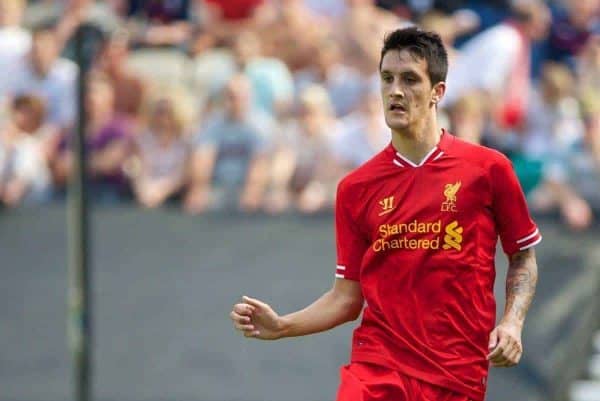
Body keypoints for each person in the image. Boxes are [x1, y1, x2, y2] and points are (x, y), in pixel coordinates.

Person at [230, 27, 541, 401]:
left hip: (456, 374)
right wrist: (282, 325)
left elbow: (522, 256)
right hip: (377, 369)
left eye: (410, 79)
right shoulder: (355, 189)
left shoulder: (488, 169)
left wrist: (512, 323)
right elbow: (346, 298)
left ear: (437, 93)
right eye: (387, 78)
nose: (395, 90)